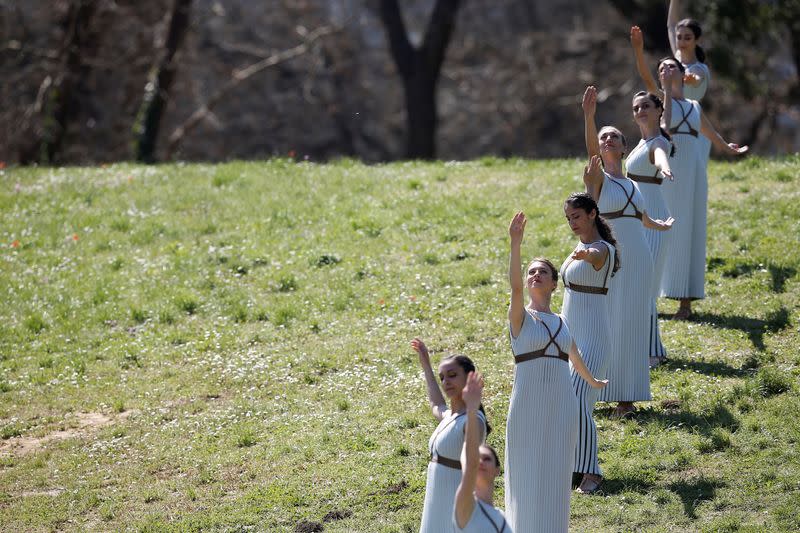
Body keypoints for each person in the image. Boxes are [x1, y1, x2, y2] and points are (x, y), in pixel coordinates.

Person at [631, 28, 747, 319]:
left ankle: (685, 303)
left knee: (688, 232)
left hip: (691, 175)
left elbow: (709, 132)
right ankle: (649, 298)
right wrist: (638, 50)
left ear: (683, 74)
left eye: (672, 66)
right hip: (666, 176)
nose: (667, 70)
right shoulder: (658, 105)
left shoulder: (694, 106)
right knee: (661, 231)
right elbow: (666, 125)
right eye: (662, 68)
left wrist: (727, 147)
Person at [506, 211, 608, 531]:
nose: (536, 275)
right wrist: (516, 243)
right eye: (531, 272)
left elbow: (574, 357)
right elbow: (514, 287)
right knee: (526, 470)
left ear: (554, 283)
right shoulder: (520, 316)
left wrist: (594, 381)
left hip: (561, 406)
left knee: (555, 473)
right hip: (527, 403)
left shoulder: (563, 322)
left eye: (543, 272)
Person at [582, 87, 674, 418]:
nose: (607, 142)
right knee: (611, 322)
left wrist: (659, 226)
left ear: (624, 147)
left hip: (639, 259)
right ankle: (603, 390)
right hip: (613, 260)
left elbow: (641, 216)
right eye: (603, 138)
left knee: (634, 323)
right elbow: (592, 150)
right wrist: (590, 118)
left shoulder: (633, 184)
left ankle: (627, 397)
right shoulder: (599, 179)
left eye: (613, 138)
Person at [560, 192, 618, 494]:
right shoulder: (580, 245)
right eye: (569, 218)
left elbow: (597, 257)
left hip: (593, 337)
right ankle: (573, 465)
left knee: (578, 401)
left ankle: (591, 472)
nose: (572, 223)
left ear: (592, 214)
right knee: (566, 401)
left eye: (577, 216)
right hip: (570, 337)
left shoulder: (601, 249)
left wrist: (587, 255)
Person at [412, 338, 487, 533]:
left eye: (452, 375)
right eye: (442, 377)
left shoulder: (474, 420)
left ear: (469, 377)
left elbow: (473, 460)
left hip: (456, 498)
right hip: (437, 495)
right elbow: (436, 404)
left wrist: (471, 406)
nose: (446, 382)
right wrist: (426, 364)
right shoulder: (450, 416)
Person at [626, 88, 677, 366]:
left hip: (654, 223)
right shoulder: (641, 143)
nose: (640, 111)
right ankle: (649, 349)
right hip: (638, 221)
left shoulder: (658, 143)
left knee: (645, 288)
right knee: (638, 286)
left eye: (646, 106)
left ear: (659, 110)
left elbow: (660, 155)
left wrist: (665, 167)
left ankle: (652, 353)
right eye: (636, 108)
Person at [453, 371, 511, 532]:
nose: (480, 462)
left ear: (497, 470)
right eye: (477, 458)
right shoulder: (466, 505)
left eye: (486, 459)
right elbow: (470, 463)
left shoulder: (503, 517)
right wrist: (471, 408)